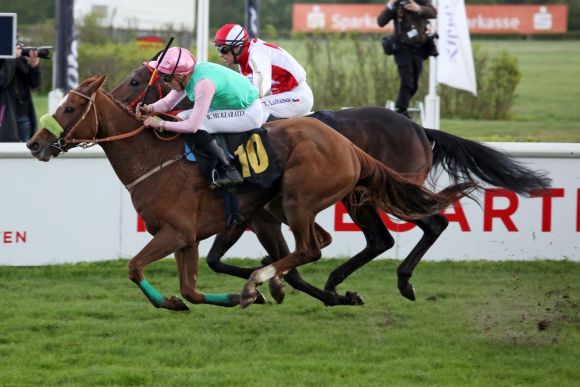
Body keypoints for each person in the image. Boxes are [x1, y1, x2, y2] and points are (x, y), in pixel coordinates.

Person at [136, 47, 265, 189]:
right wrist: (150, 109)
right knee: (180, 116)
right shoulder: (188, 75)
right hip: (231, 106)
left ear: (179, 76)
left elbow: (192, 126)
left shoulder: (203, 84)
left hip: (248, 112)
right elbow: (167, 103)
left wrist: (160, 124)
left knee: (199, 125)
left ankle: (229, 169)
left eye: (166, 78)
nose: (165, 82)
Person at [213, 24, 313, 120]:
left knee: (252, 109)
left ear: (237, 47)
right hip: (287, 95)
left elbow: (259, 91)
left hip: (298, 96)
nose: (220, 54)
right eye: (218, 48)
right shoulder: (244, 59)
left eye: (223, 49)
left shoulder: (256, 56)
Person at [378, 0, 437, 118]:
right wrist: (390, 4)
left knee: (414, 83)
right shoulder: (397, 5)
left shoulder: (421, 1)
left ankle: (401, 107)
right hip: (402, 48)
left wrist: (419, 8)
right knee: (407, 80)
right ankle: (401, 110)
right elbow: (381, 22)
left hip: (419, 48)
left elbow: (433, 13)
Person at [0, 43, 41, 142]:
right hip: (6, 117)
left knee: (27, 152)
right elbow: (2, 82)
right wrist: (11, 58)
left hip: (24, 115)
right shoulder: (7, 59)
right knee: (7, 152)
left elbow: (34, 83)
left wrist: (33, 65)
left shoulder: (19, 60)